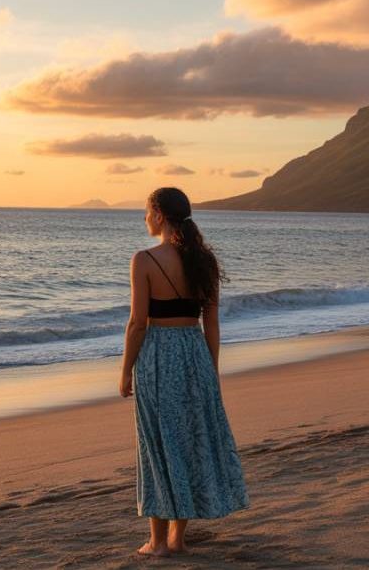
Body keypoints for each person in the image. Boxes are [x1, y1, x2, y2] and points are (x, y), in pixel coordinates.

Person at [118, 186, 250, 558]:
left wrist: (126, 370)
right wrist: (212, 371)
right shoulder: (203, 260)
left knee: (157, 445)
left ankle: (157, 542)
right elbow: (212, 322)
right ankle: (178, 538)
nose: (144, 218)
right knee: (187, 442)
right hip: (194, 352)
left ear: (159, 214)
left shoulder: (144, 260)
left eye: (146, 212)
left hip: (158, 355)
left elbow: (137, 324)